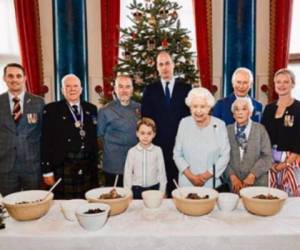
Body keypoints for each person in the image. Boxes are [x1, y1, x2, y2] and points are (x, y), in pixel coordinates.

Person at [141, 51, 191, 196]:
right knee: (160, 186)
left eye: (167, 63)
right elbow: (147, 118)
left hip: (181, 146)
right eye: (161, 64)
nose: (164, 67)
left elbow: (190, 118)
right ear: (157, 68)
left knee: (178, 188)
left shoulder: (186, 89)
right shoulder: (150, 90)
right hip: (158, 146)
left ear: (173, 65)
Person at [41, 74, 98, 199]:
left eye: (75, 86)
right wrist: (47, 171)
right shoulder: (51, 109)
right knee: (64, 205)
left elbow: (93, 139)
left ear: (81, 89)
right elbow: (45, 141)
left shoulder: (91, 108)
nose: (72, 89)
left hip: (87, 166)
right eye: (68, 86)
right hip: (63, 165)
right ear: (62, 90)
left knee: (87, 204)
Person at [0, 63, 44, 196]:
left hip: (32, 166)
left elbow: (44, 134)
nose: (14, 79)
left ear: (24, 78)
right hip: (5, 167)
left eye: (18, 76)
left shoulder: (38, 102)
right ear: (4, 78)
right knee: (10, 207)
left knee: (34, 204)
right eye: (10, 76)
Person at [173, 87, 230, 188]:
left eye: (202, 106)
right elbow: (177, 154)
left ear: (209, 107)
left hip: (211, 183)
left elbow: (225, 155)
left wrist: (205, 176)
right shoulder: (184, 123)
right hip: (187, 182)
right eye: (194, 106)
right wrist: (191, 177)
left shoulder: (219, 125)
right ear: (190, 108)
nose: (198, 111)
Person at [262, 68, 300, 196]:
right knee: (270, 198)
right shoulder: (268, 108)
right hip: (270, 161)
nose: (281, 85)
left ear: (293, 84)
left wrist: (286, 163)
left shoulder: (298, 108)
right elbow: (263, 136)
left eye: (286, 82)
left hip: (292, 161)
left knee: (291, 201)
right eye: (278, 82)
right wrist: (269, 161)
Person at [97, 75, 140, 187]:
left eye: (127, 87)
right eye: (120, 87)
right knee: (115, 198)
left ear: (132, 89)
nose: (124, 90)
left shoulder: (139, 108)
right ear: (115, 89)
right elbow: (99, 137)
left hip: (136, 163)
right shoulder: (105, 110)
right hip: (113, 165)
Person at [226, 97, 272, 193]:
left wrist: (252, 175)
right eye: (236, 109)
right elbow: (221, 157)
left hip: (257, 183)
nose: (240, 112)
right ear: (233, 114)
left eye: (244, 109)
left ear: (250, 113)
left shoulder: (260, 129)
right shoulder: (226, 130)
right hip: (233, 185)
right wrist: (232, 176)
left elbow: (267, 156)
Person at [124, 118, 167, 199]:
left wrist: (162, 191)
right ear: (137, 133)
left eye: (149, 133)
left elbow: (162, 173)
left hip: (154, 189)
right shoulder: (132, 151)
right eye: (142, 133)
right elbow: (128, 174)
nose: (145, 136)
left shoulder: (158, 150)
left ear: (154, 135)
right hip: (136, 189)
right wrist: (128, 193)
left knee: (153, 211)